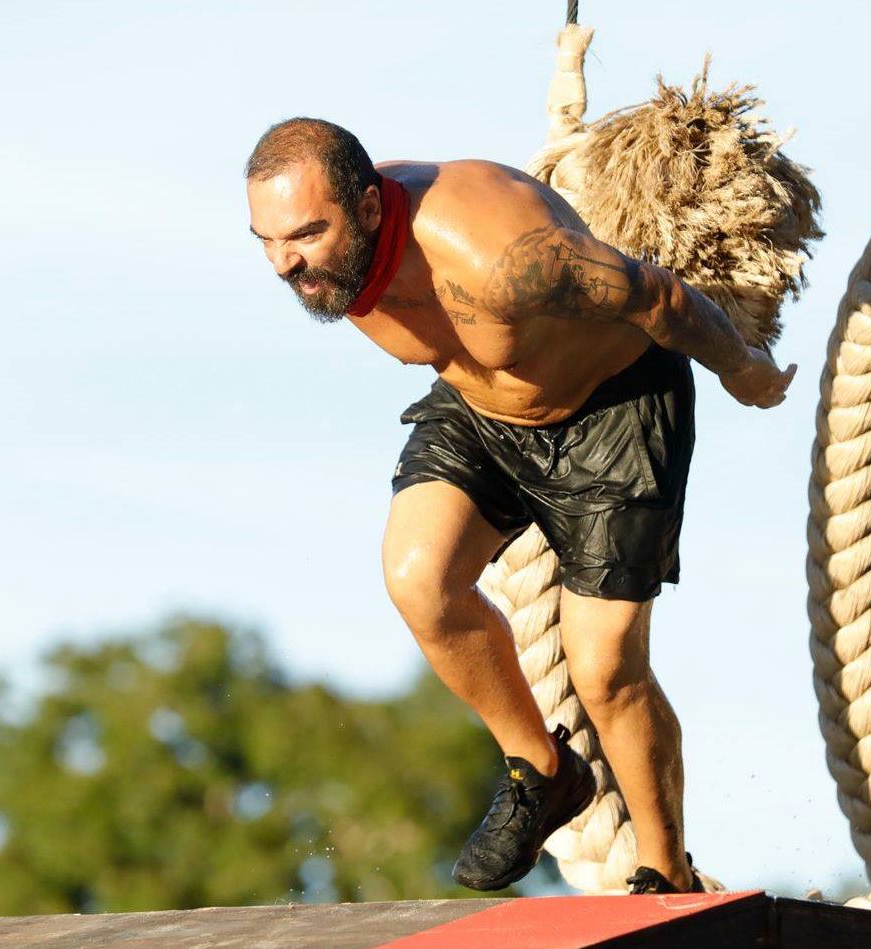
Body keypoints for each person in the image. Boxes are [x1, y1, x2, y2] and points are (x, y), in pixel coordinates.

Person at [242, 117, 794, 895]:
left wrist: (745, 369)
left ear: (370, 208)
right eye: (264, 239)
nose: (283, 261)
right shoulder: (336, 260)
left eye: (303, 234)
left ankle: (666, 870)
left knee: (603, 669)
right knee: (418, 578)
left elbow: (655, 292)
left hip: (613, 415)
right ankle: (543, 771)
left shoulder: (502, 255)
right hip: (480, 413)